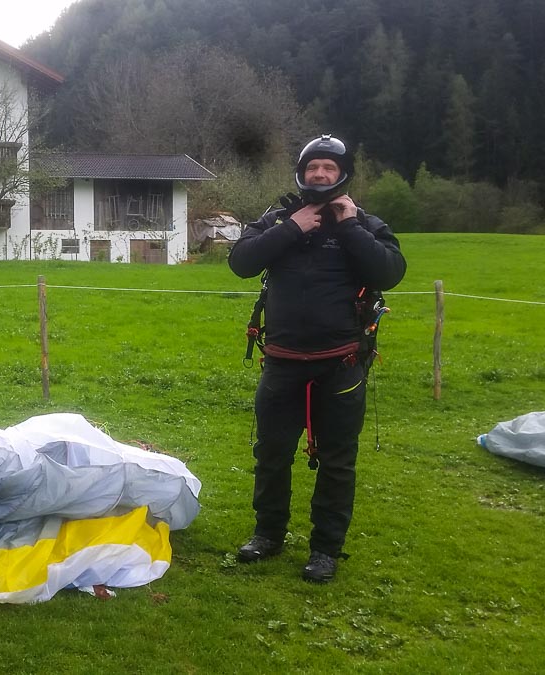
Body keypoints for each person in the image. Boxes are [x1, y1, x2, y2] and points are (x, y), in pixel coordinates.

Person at [227, 134, 407, 582]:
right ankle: (268, 534)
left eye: (329, 168)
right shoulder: (277, 219)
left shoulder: (364, 224)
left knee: (338, 462)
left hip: (340, 364)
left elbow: (390, 272)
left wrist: (349, 227)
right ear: (301, 172)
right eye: (313, 167)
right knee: (271, 454)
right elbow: (241, 262)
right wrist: (293, 227)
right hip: (282, 361)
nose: (320, 174)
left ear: (342, 174)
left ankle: (325, 549)